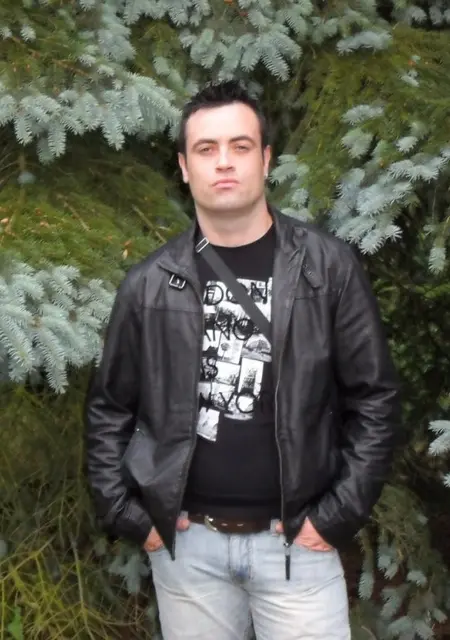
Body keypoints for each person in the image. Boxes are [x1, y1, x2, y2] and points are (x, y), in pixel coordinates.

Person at [85, 79, 401, 639]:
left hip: (298, 546)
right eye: (206, 149)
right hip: (188, 552)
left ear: (266, 159)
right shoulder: (149, 284)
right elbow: (109, 409)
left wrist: (335, 517)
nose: (224, 162)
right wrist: (132, 518)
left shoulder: (328, 269)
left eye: (240, 146)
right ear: (185, 167)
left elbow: (374, 399)